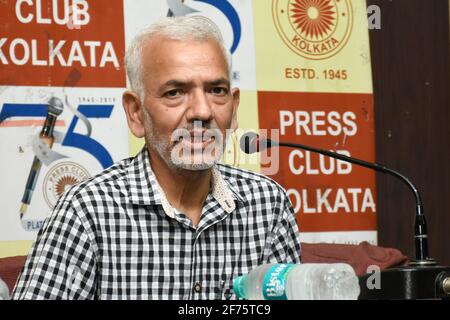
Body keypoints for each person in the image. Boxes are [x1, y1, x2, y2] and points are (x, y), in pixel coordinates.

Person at [12, 16, 301, 300]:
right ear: (136, 113)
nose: (202, 111)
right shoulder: (87, 211)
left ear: (234, 108)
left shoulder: (268, 204)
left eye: (216, 90)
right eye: (175, 92)